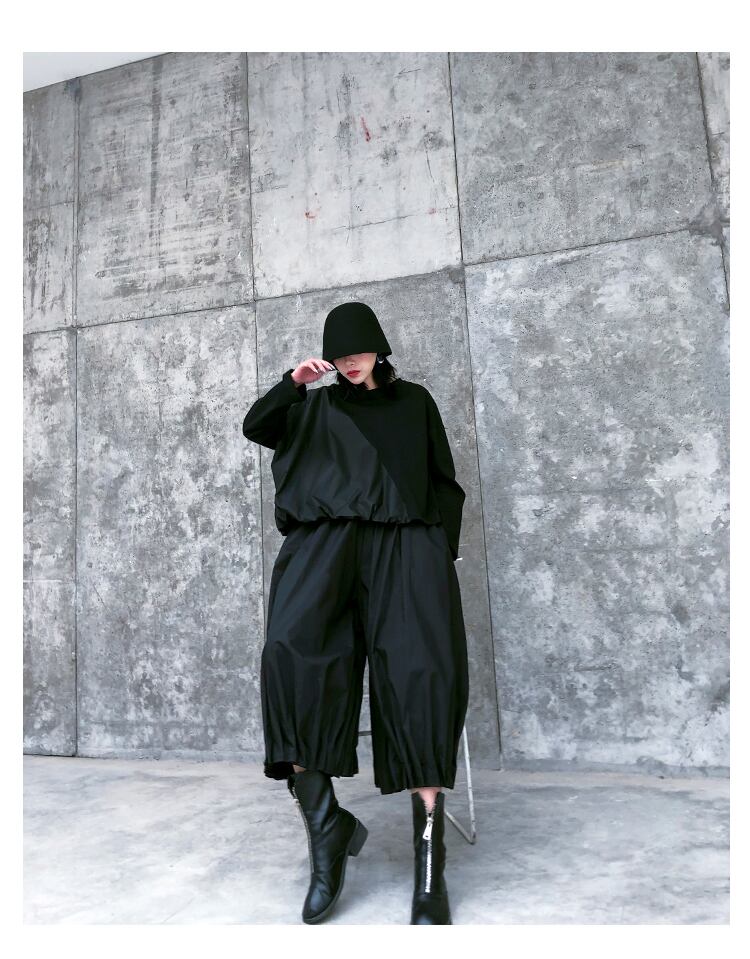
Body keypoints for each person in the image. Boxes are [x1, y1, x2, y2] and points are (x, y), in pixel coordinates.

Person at [242, 301, 470, 924]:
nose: (349, 362)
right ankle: (328, 829)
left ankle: (430, 869)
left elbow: (443, 480)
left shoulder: (414, 402)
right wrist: (294, 383)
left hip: (406, 547)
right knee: (290, 656)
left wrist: (438, 552)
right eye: (338, 354)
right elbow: (256, 426)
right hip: (324, 545)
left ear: (379, 348)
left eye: (358, 351)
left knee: (423, 673)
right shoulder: (310, 406)